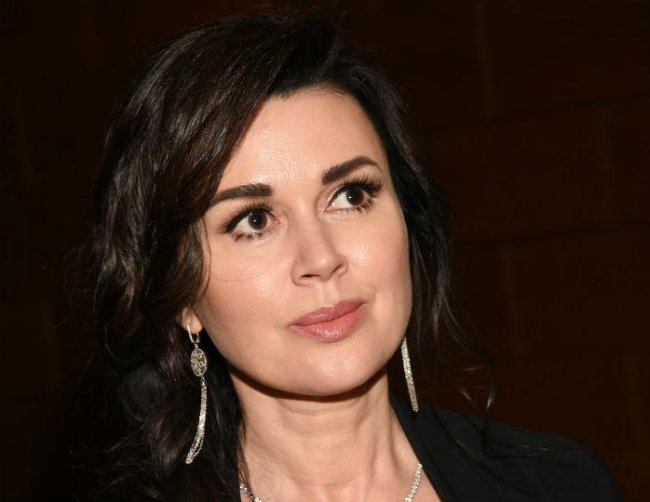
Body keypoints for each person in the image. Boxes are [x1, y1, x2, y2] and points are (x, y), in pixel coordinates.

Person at [71, 9, 621, 501]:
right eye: (254, 221)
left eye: (351, 196)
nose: (321, 257)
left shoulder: (560, 485)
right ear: (182, 296)